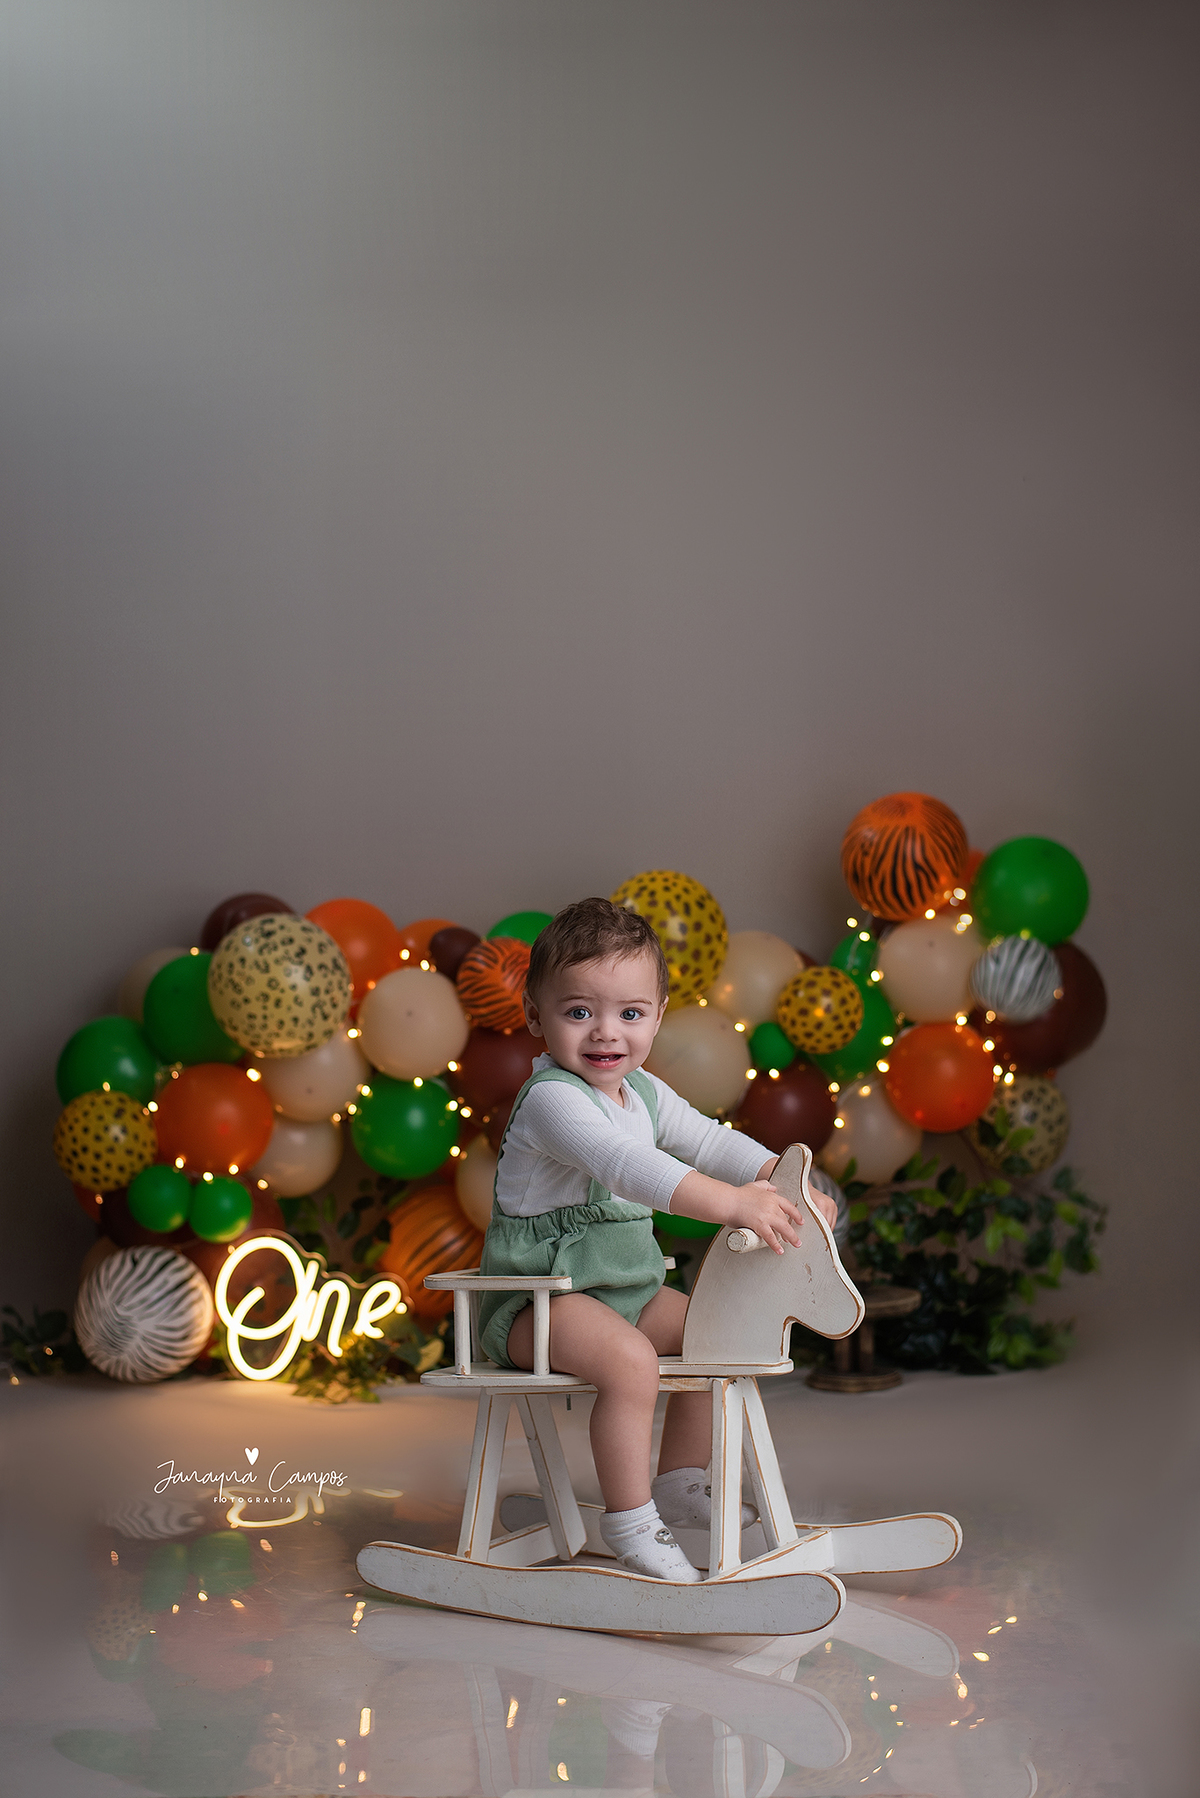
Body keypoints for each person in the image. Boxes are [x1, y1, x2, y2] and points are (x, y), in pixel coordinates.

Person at [476, 897, 839, 1583]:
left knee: (713, 1331)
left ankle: (677, 1482)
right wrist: (732, 1204)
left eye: (630, 1014)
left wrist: (780, 1178)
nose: (605, 1032)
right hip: (538, 1302)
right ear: (535, 1015)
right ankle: (631, 1521)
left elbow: (708, 1140)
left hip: (625, 1292)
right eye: (578, 1011)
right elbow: (627, 1166)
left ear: (659, 1016)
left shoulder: (641, 1091)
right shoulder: (553, 1101)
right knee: (631, 1364)